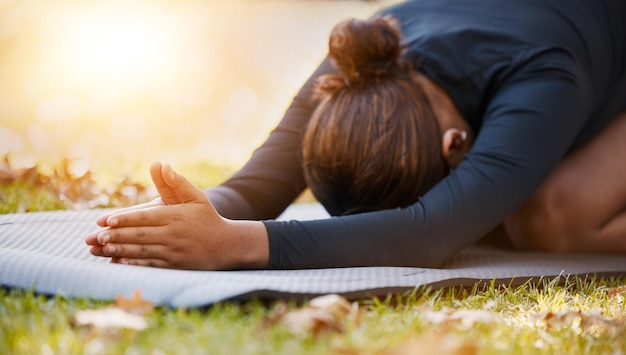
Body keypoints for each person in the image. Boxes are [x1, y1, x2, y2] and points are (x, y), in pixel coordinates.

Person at [85, 0, 626, 270]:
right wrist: (188, 216)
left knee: (546, 218)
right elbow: (254, 190)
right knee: (498, 216)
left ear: (456, 145)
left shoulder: (541, 75)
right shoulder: (358, 67)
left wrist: (236, 244)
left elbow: (430, 233)